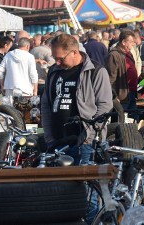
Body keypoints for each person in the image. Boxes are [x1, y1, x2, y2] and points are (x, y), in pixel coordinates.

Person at [41, 34, 112, 166]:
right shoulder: (54, 71)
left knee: (83, 185)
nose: (57, 62)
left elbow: (105, 106)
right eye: (54, 58)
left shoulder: (96, 71)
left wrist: (89, 135)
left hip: (85, 144)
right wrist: (48, 136)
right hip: (57, 142)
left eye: (61, 58)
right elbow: (46, 104)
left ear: (74, 52)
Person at [105, 30, 139, 114]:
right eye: (131, 42)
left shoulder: (128, 53)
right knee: (121, 120)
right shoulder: (114, 55)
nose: (133, 44)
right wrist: (114, 95)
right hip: (121, 95)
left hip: (131, 92)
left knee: (133, 120)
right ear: (124, 42)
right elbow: (110, 78)